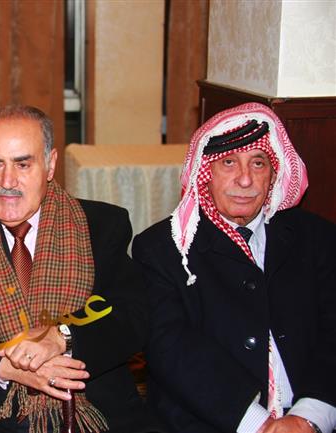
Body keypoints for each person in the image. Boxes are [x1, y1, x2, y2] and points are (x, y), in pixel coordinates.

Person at [0, 105, 162, 433]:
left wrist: (62, 337)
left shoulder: (100, 226)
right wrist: (3, 366)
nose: (7, 181)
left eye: (23, 164)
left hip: (91, 406)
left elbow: (131, 315)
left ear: (50, 165)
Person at [132, 103, 336, 433]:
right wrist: (260, 425)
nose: (245, 179)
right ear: (206, 172)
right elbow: (172, 349)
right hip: (214, 422)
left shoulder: (316, 238)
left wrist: (309, 417)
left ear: (274, 173)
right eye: (229, 162)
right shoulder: (161, 250)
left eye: (258, 163)